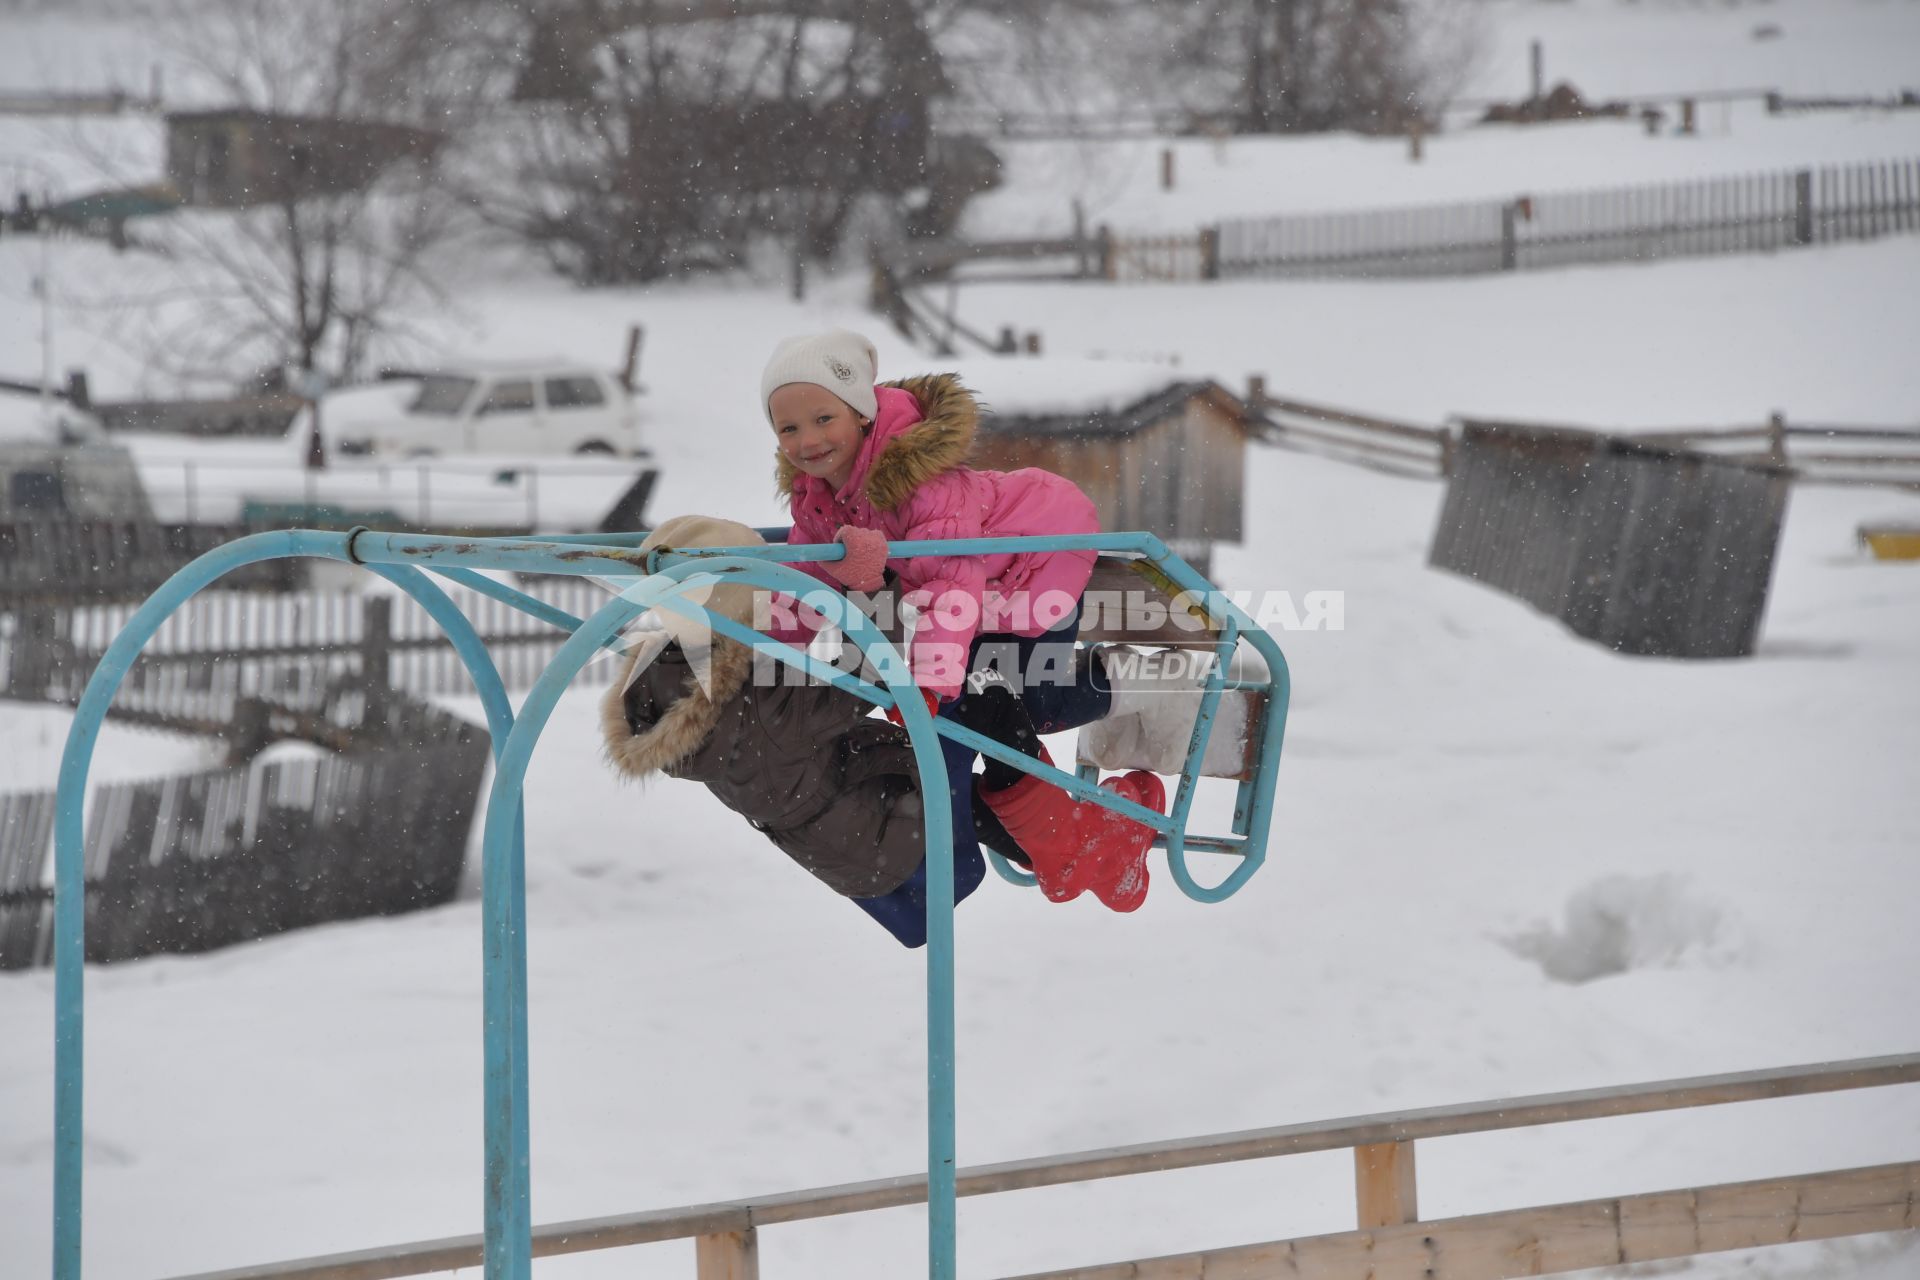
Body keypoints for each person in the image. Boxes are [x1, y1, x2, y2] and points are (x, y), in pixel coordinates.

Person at [761, 328, 1165, 916]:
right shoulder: (816, 498)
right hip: (974, 590)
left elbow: (949, 584)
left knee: (1037, 698)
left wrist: (927, 684)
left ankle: (1131, 679)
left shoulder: (920, 478)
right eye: (788, 428)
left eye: (823, 418)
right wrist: (771, 658)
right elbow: (808, 584)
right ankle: (1060, 835)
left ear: (863, 414)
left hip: (1036, 558)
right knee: (973, 702)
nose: (808, 441)